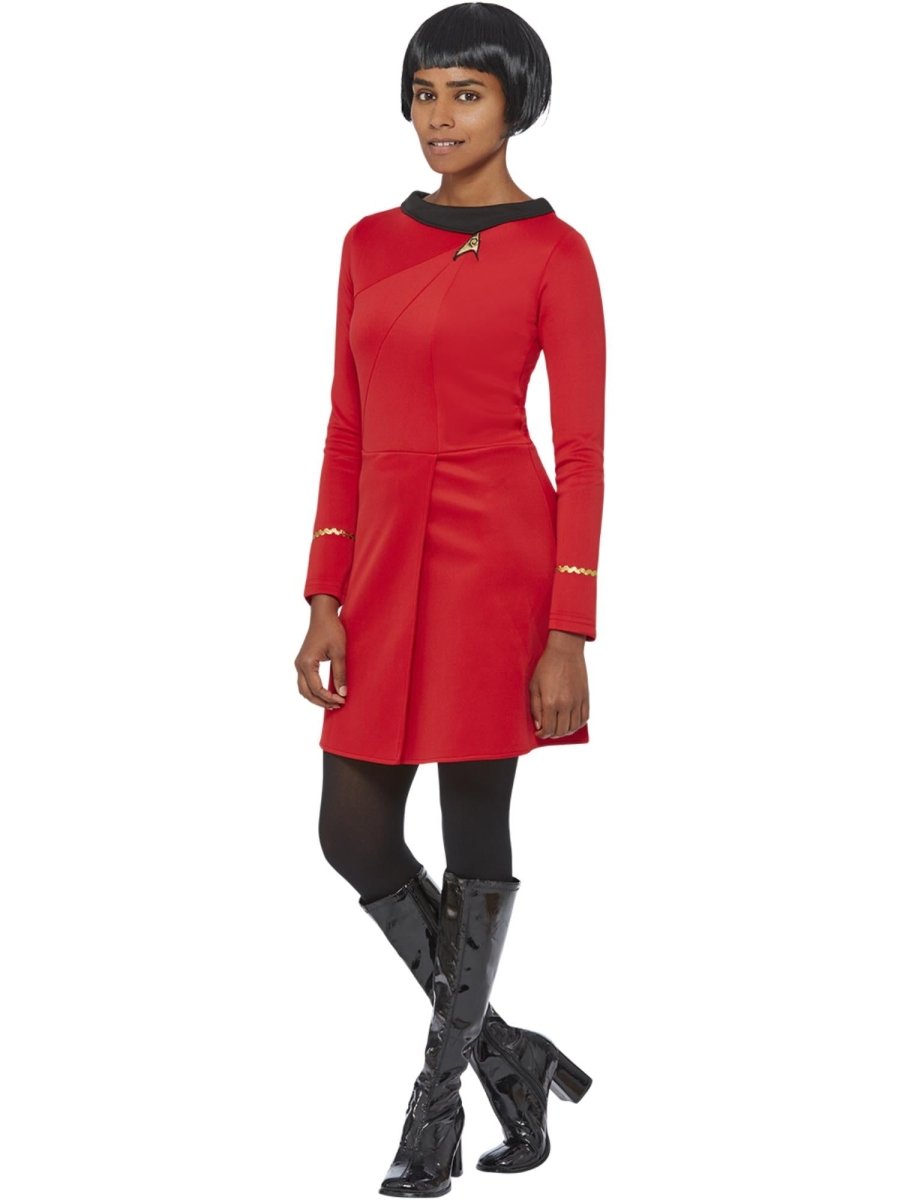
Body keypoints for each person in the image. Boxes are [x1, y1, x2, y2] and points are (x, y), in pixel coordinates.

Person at [294, 3, 605, 1193]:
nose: (439, 115)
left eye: (466, 93)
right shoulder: (368, 242)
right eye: (424, 92)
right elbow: (346, 425)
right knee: (351, 831)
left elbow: (581, 452)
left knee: (476, 822)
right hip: (380, 557)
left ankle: (435, 1105)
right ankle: (510, 1055)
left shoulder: (557, 252)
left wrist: (569, 629)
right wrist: (324, 595)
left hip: (496, 558)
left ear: (516, 103)